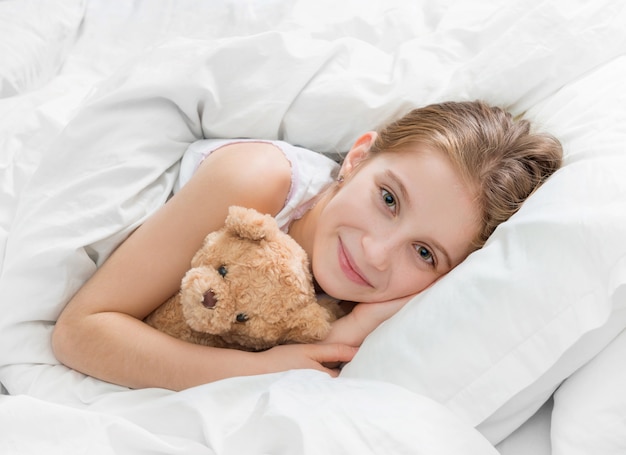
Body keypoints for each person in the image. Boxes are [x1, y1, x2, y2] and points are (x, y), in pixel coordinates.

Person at [52, 100, 563, 391]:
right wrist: (254, 371)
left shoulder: (389, 301)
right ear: (358, 158)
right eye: (388, 199)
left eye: (425, 252)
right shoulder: (258, 182)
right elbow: (80, 332)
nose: (377, 253)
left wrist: (354, 326)